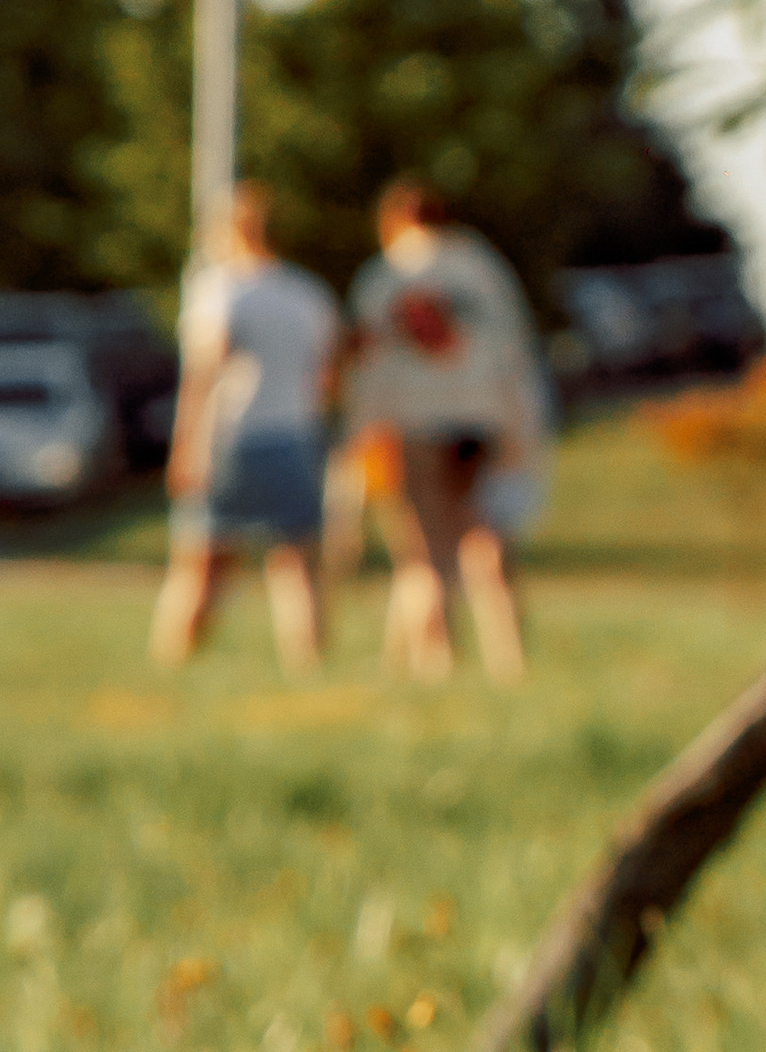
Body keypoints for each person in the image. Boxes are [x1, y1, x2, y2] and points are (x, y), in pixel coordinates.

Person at [343, 178, 549, 680]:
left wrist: (361, 431)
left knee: (425, 547)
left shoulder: (382, 278)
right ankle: (509, 658)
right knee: (488, 538)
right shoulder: (481, 267)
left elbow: (368, 367)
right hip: (483, 418)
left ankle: (437, 663)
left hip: (415, 423)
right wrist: (520, 424)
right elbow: (514, 350)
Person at [150, 184, 342, 675]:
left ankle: (172, 665)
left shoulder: (219, 290)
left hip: (230, 439)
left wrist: (186, 446)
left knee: (201, 565)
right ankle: (309, 669)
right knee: (297, 565)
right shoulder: (307, 293)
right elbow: (327, 377)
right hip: (294, 436)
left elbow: (203, 375)